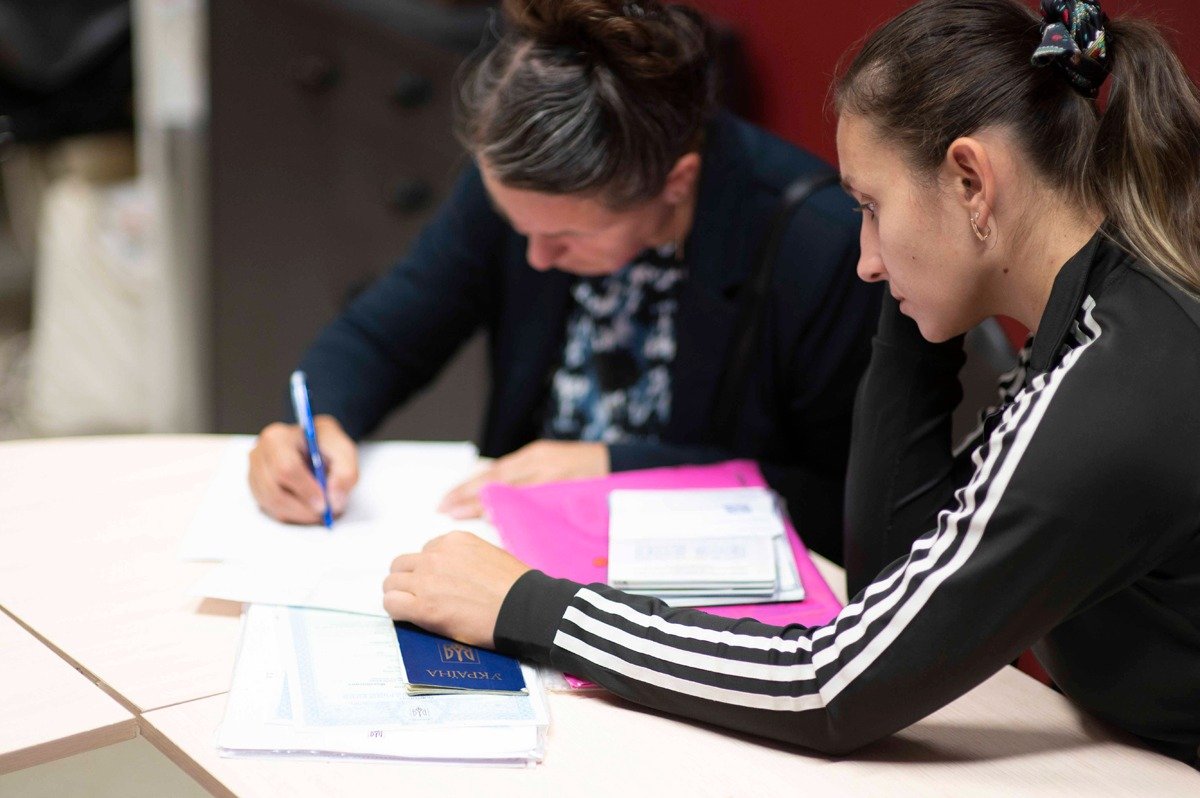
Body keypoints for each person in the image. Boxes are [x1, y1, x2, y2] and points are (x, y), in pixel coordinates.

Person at [380, 0, 1200, 767]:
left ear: (972, 182)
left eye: (871, 207)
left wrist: (531, 607)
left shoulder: (1117, 378)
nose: (866, 262)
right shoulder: (1098, 314)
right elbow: (894, 577)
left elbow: (832, 685)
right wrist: (917, 308)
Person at [246, 0, 879, 562]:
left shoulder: (818, 246)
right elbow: (383, 337)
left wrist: (614, 466)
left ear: (676, 183)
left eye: (569, 240)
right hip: (526, 551)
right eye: (519, 228)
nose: (537, 258)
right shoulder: (527, 197)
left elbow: (839, 500)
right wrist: (318, 424)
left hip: (702, 584)